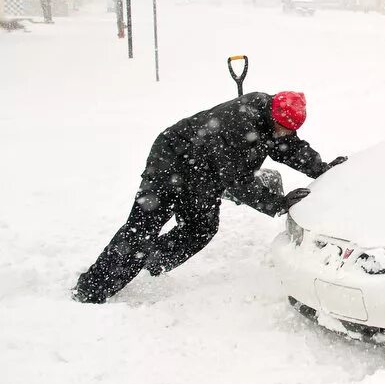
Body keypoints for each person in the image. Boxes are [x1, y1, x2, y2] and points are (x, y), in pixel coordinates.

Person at [72, 91, 346, 304]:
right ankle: (91, 288)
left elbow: (288, 147)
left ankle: (150, 263)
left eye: (290, 129)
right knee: (142, 227)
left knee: (200, 228)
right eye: (283, 127)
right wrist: (276, 203)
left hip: (203, 171)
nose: (285, 133)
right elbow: (237, 180)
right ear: (274, 115)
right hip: (172, 161)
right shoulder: (238, 123)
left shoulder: (272, 120)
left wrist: (321, 169)